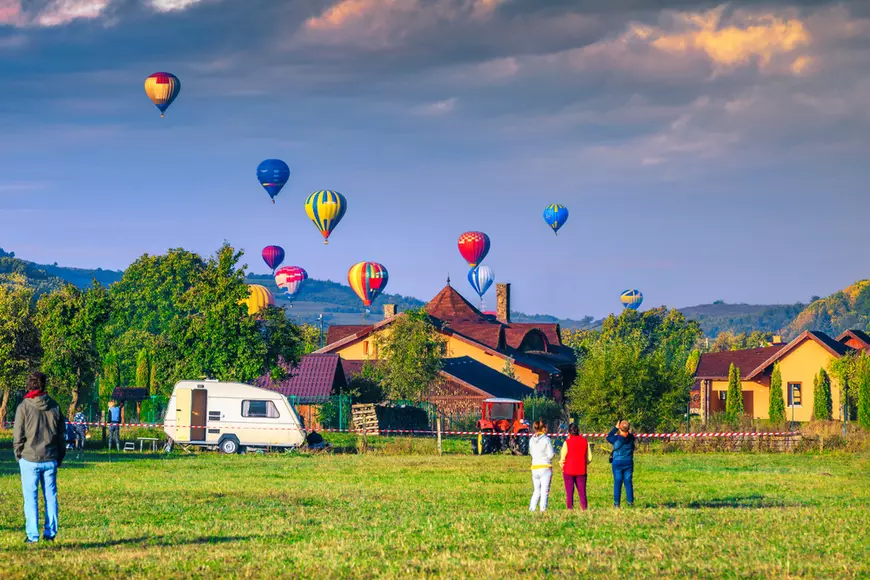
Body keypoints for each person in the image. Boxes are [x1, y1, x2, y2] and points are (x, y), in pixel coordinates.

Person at [13, 371, 66, 543]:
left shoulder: (24, 407)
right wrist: (59, 457)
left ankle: (33, 535)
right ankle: (50, 533)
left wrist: (19, 454)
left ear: (29, 385)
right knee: (51, 497)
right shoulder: (55, 406)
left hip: (29, 458)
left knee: (31, 498)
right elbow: (60, 436)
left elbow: (18, 435)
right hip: (50, 458)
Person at [559, 424, 592, 510]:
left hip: (568, 470)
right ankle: (584, 508)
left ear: (569, 432)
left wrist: (563, 465)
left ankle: (570, 509)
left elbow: (563, 457)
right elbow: (589, 458)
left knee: (569, 493)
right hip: (581, 470)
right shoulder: (585, 441)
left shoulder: (567, 443)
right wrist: (585, 463)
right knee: (582, 493)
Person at [606, 419, 636, 508]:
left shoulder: (616, 438)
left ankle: (616, 504)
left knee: (617, 482)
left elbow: (608, 437)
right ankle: (630, 503)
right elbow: (631, 437)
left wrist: (615, 428)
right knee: (628, 482)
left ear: (620, 428)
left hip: (617, 462)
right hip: (628, 462)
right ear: (629, 428)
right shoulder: (631, 438)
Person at [528, 420, 554, 512]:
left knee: (536, 491)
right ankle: (543, 510)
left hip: (534, 467)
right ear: (543, 429)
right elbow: (551, 455)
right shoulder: (546, 440)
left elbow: (531, 452)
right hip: (545, 467)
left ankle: (532, 508)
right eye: (546, 427)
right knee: (544, 491)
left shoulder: (531, 440)